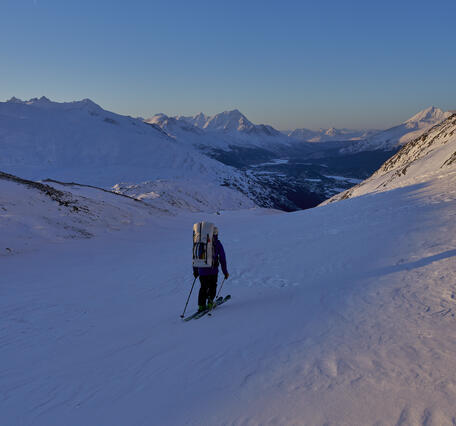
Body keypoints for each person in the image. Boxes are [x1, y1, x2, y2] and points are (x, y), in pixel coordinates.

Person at [193, 226, 229, 311]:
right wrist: (225, 272)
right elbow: (222, 258)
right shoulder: (217, 244)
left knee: (203, 287)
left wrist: (195, 271)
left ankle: (201, 306)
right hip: (213, 270)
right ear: (216, 234)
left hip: (202, 270)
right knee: (213, 286)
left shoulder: (200, 243)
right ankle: (210, 303)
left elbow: (195, 257)